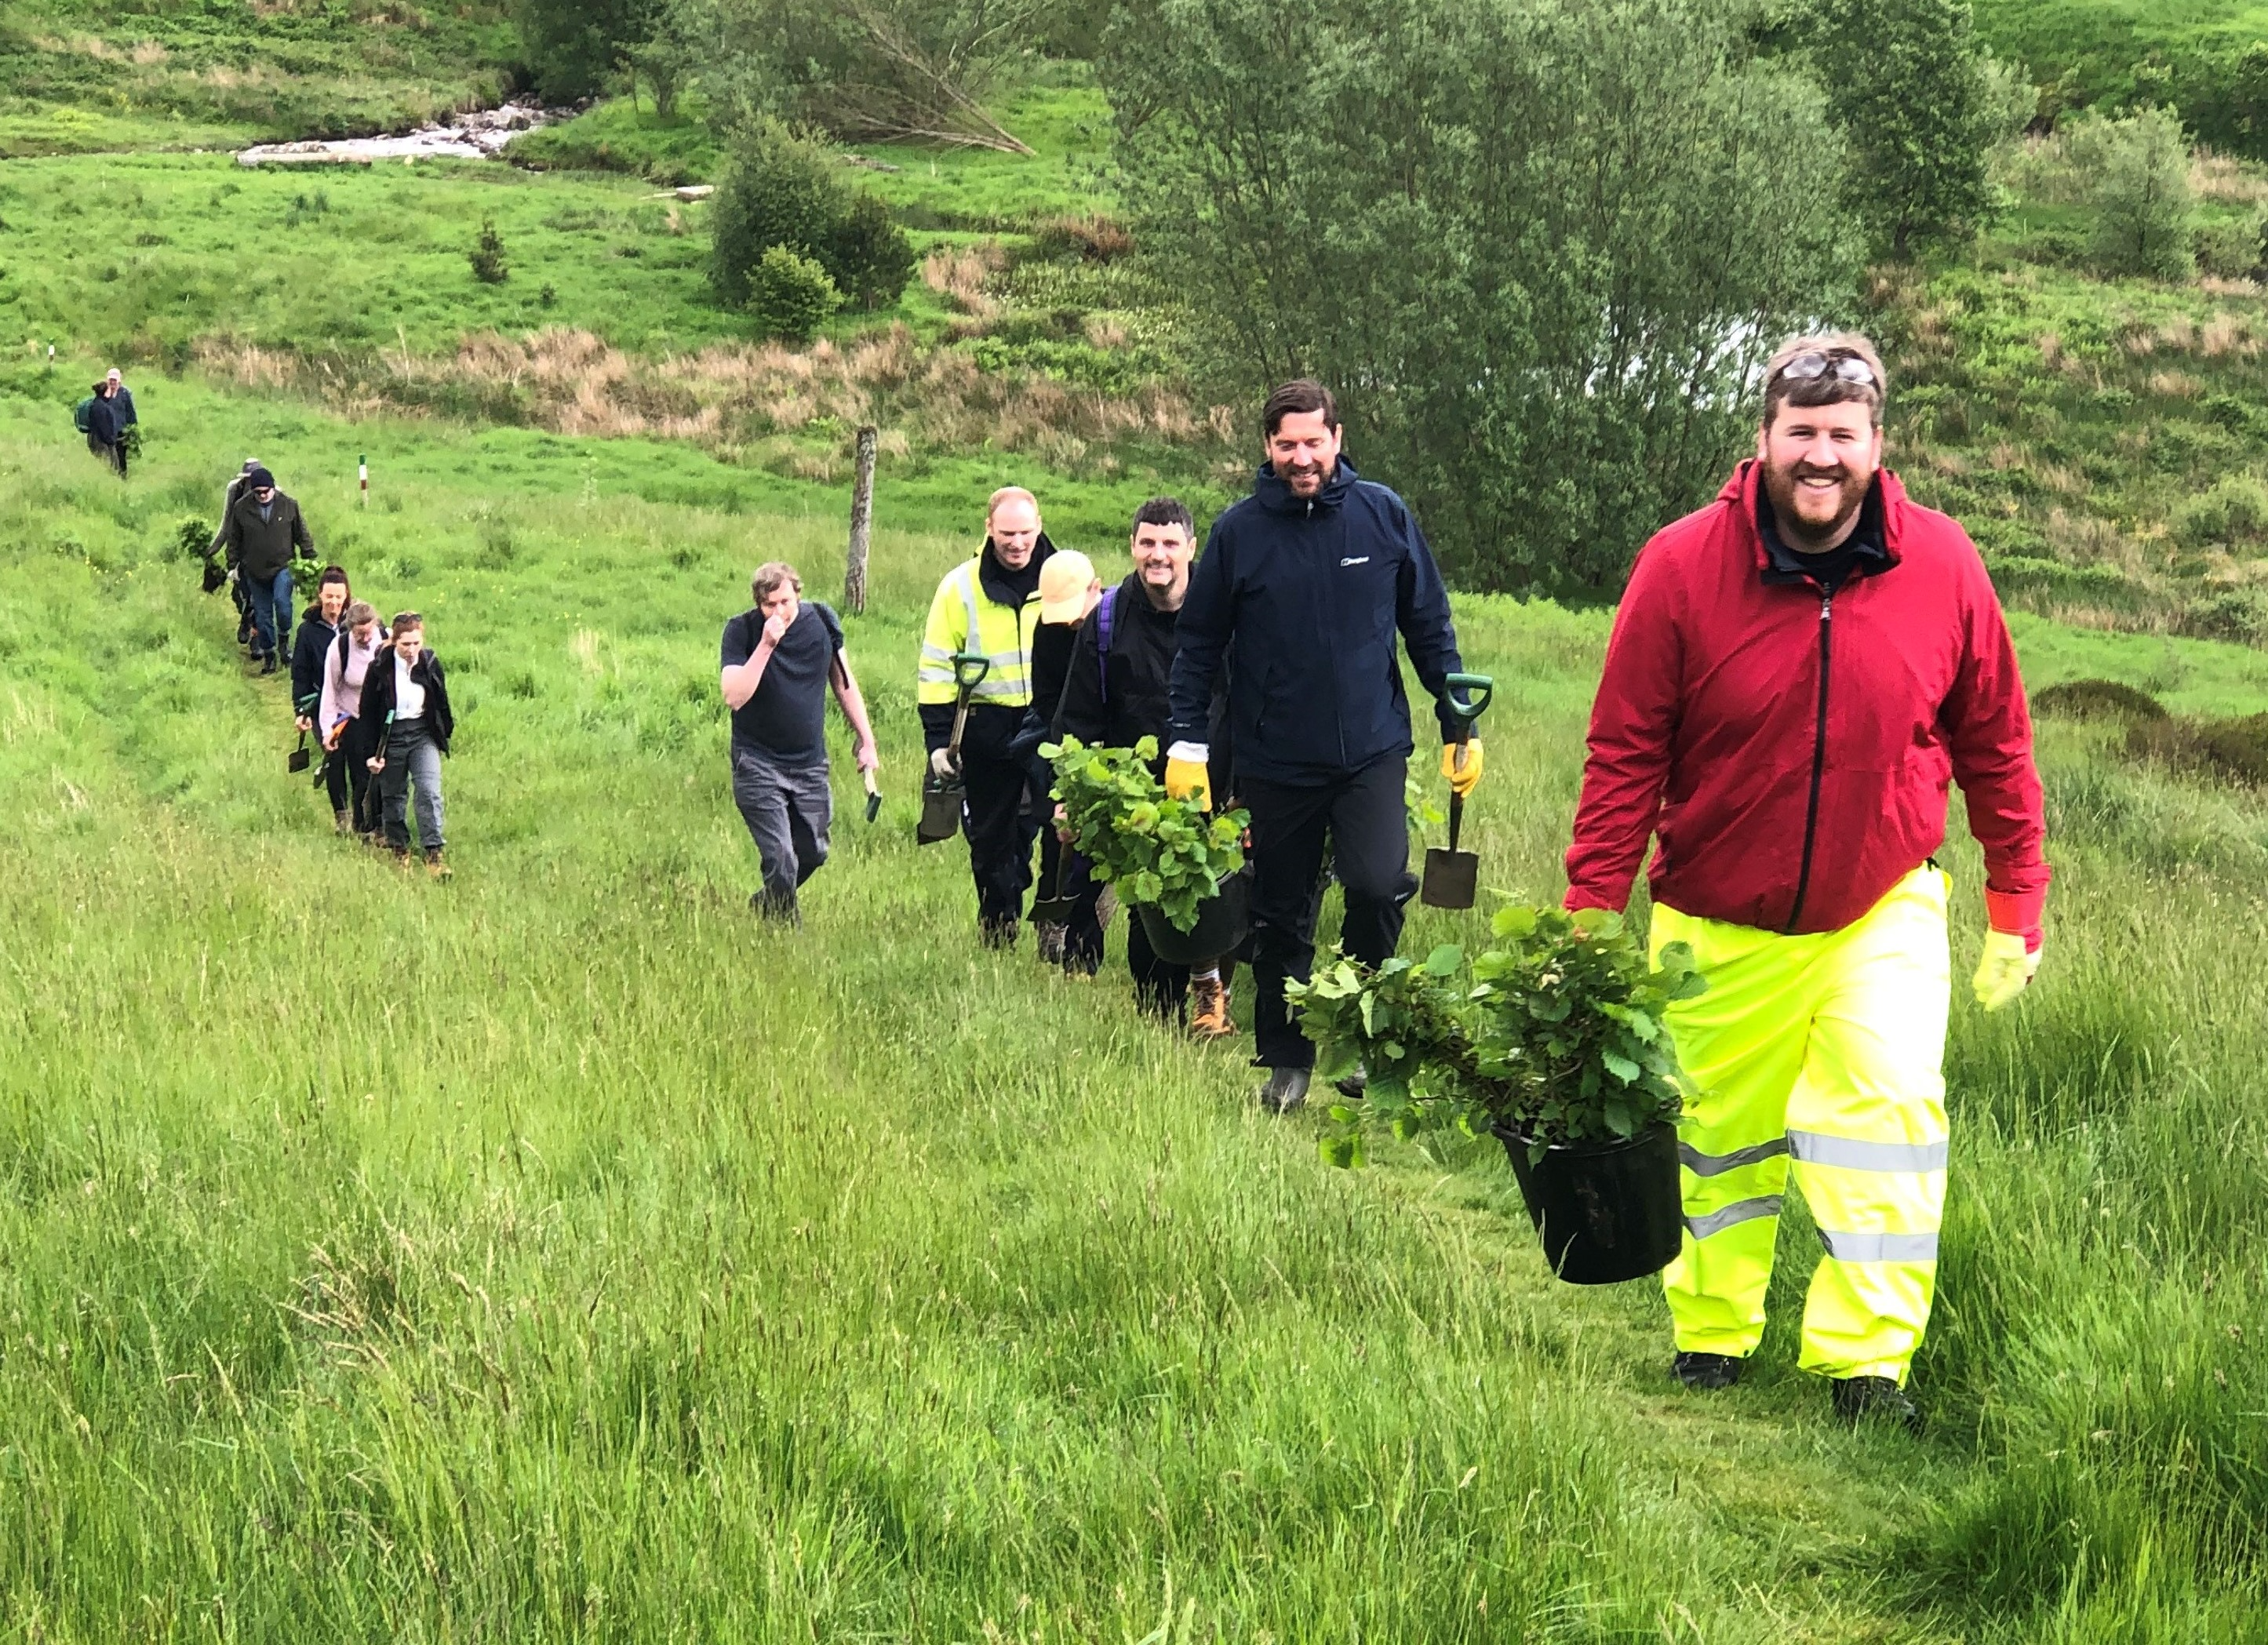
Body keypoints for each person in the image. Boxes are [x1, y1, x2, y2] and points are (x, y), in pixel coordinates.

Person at [1561, 332, 2050, 1431]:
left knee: (1882, 1124)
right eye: (1800, 433)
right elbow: (1623, 752)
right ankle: (1708, 1337)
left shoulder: (1943, 567)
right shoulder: (1679, 566)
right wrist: (1590, 910)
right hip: (1710, 918)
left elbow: (1995, 741)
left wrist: (2013, 898)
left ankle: (1863, 1369)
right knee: (1712, 1136)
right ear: (1762, 440)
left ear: (1875, 445)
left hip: (1879, 905)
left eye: (1841, 435)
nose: (1818, 457)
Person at [1165, 381, 1473, 1113]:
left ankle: (1360, 1038)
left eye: (1312, 442)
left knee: (1374, 886)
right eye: (1285, 445)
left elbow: (1428, 625)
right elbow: (1198, 646)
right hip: (1276, 758)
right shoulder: (1238, 533)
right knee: (1281, 910)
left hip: (1370, 750)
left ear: (1336, 437)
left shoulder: (1381, 516)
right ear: (1266, 447)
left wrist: (1459, 723)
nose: (1301, 458)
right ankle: (1286, 1058)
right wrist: (1187, 743)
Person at [1054, 498, 1240, 1037]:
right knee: (1148, 909)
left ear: (1190, 548)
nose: (1157, 555)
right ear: (1133, 547)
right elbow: (1080, 715)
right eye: (1146, 543)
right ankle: (1159, 1019)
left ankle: (1213, 996)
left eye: (1168, 544)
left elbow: (1252, 698)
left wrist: (1243, 783)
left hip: (1217, 781)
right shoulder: (1107, 621)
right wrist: (1069, 795)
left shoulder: (1225, 613)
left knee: (1219, 894)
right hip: (1138, 795)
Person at [918, 486, 1058, 947]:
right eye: (1006, 534)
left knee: (1055, 830)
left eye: (1025, 533)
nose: (1017, 544)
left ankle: (1055, 929)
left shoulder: (1064, 578)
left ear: (1039, 527)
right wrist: (939, 742)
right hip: (986, 729)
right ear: (988, 530)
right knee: (992, 838)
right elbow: (938, 666)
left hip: (1050, 726)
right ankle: (998, 928)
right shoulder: (958, 587)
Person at [720, 561, 881, 923]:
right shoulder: (741, 631)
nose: (779, 612)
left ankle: (767, 903)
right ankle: (787, 934)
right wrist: (766, 645)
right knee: (781, 858)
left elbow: (843, 683)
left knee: (813, 852)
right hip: (756, 762)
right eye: (769, 605)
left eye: (785, 602)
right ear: (758, 604)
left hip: (808, 762)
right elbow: (734, 696)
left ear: (798, 595)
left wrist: (866, 740)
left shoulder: (821, 621)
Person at [1019, 548, 1100, 963]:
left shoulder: (1116, 624)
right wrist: (1067, 764)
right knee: (1058, 833)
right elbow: (1049, 699)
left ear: (1096, 589)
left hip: (1113, 745)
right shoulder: (1049, 630)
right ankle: (1053, 923)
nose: (1069, 621)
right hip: (1061, 741)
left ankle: (1090, 929)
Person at [358, 612, 455, 878]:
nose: (411, 650)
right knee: (394, 794)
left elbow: (441, 700)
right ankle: (399, 847)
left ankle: (434, 851)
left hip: (423, 734)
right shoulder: (379, 668)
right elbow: (366, 713)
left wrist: (445, 732)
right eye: (405, 645)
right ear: (394, 642)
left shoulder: (430, 662)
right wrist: (371, 754)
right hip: (391, 735)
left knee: (428, 790)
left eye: (416, 644)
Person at [220, 466, 314, 675]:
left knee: (282, 603)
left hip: (283, 566)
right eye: (258, 492)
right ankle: (269, 655)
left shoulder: (289, 505)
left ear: (273, 488)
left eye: (266, 491)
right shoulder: (241, 509)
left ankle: (284, 644)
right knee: (262, 616)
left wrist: (310, 561)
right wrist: (232, 565)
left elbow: (302, 534)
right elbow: (233, 539)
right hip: (254, 570)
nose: (262, 496)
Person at [319, 601, 388, 842]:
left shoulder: (386, 641)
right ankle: (363, 826)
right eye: (359, 633)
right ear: (350, 629)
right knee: (362, 774)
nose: (365, 638)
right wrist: (329, 731)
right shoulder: (339, 647)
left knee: (385, 771)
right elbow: (329, 691)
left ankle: (383, 825)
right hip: (352, 715)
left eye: (368, 632)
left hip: (379, 714)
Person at [292, 567, 354, 831]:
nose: (334, 603)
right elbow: (301, 673)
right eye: (329, 596)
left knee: (360, 757)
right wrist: (301, 710)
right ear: (320, 595)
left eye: (339, 597)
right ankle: (342, 814)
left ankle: (368, 816)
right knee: (335, 755)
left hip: (353, 704)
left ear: (347, 596)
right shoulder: (308, 631)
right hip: (322, 705)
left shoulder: (357, 626)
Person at [207, 460, 263, 651]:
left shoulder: (271, 493)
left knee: (259, 596)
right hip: (239, 547)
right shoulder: (235, 490)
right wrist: (211, 550)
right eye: (248, 480)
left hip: (261, 552)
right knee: (241, 594)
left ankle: (256, 637)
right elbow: (227, 524)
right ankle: (246, 618)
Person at [82, 378, 127, 477]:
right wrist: (111, 441)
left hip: (97, 439)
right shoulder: (101, 407)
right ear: (105, 392)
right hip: (102, 441)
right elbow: (104, 427)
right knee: (110, 467)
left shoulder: (97, 404)